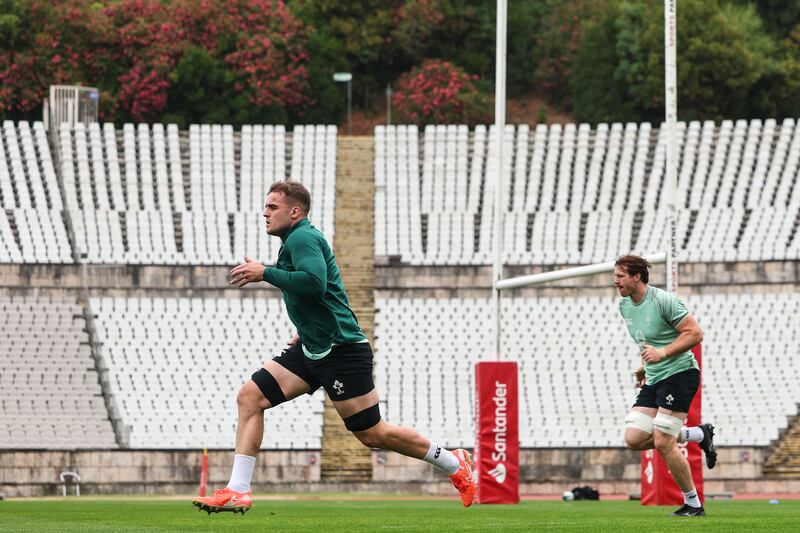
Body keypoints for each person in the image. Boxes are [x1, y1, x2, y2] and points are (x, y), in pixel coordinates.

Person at [192, 180, 476, 514]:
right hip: (313, 346)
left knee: (372, 434)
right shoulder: (293, 240)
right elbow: (323, 294)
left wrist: (265, 272)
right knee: (250, 397)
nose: (264, 212)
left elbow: (315, 283)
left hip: (342, 351)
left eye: (272, 206)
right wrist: (305, 328)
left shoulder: (303, 237)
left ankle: (453, 463)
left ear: (294, 211)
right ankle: (238, 490)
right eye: (266, 206)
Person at [614, 255, 717, 517]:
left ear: (637, 276)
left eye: (620, 276)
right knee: (634, 438)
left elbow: (695, 333)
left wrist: (662, 354)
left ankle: (693, 504)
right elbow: (647, 341)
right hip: (655, 376)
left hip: (680, 374)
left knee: (662, 441)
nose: (616, 281)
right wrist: (644, 366)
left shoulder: (663, 301)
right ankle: (699, 435)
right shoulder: (624, 306)